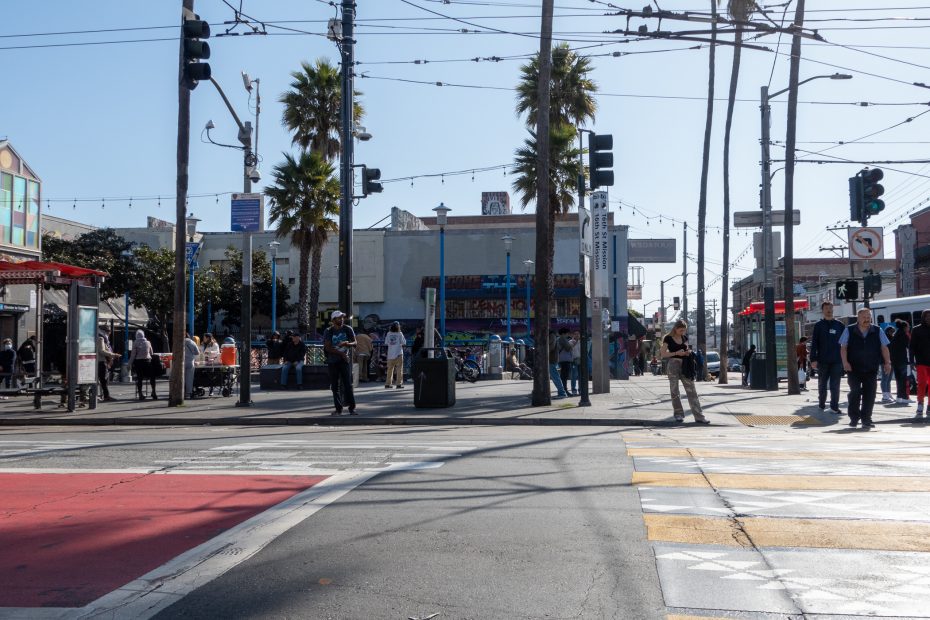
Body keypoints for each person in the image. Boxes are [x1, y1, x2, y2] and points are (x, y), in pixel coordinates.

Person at [840, 308, 892, 429]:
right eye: (864, 317)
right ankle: (854, 418)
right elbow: (843, 348)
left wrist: (887, 362)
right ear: (858, 318)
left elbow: (884, 347)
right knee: (855, 392)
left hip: (871, 368)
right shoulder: (849, 330)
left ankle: (866, 419)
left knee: (870, 394)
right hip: (854, 368)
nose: (867, 319)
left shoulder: (877, 330)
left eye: (868, 317)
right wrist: (845, 363)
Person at [660, 320, 709, 424]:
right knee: (675, 391)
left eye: (684, 330)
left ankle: (699, 416)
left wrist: (688, 352)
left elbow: (687, 349)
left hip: (686, 365)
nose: (682, 332)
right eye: (680, 330)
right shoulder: (668, 338)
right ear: (676, 328)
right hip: (673, 365)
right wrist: (676, 353)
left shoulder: (684, 338)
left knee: (692, 390)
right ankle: (678, 414)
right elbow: (663, 354)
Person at [810, 301, 845, 415]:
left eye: (830, 308)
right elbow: (814, 343)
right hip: (823, 360)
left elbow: (845, 344)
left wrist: (846, 359)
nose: (829, 310)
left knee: (835, 384)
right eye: (826, 308)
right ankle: (821, 403)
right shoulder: (819, 325)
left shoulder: (840, 325)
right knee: (822, 384)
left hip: (837, 360)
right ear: (823, 310)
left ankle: (834, 406)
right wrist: (813, 359)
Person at [323, 310, 357, 415]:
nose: (341, 319)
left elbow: (355, 342)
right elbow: (328, 348)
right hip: (333, 361)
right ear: (333, 320)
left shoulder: (347, 329)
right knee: (335, 386)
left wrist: (347, 343)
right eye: (339, 318)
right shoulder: (329, 331)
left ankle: (352, 408)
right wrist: (341, 353)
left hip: (344, 361)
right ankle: (338, 409)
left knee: (348, 384)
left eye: (342, 317)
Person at [909, 309, 930, 419]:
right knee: (921, 384)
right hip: (921, 362)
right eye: (926, 317)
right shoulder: (916, 330)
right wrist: (911, 361)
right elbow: (912, 347)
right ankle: (920, 404)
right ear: (923, 318)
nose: (928, 318)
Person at [128, 329, 157, 401]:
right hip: (148, 362)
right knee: (152, 377)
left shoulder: (135, 343)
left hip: (139, 363)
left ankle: (140, 394)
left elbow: (133, 355)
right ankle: (153, 391)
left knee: (139, 378)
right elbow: (152, 353)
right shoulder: (148, 342)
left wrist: (129, 364)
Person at [888, 319, 912, 406]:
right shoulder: (904, 335)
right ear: (905, 327)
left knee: (898, 379)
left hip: (895, 361)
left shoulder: (895, 335)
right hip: (902, 360)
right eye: (908, 327)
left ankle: (899, 397)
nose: (909, 328)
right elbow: (909, 346)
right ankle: (904, 397)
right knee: (903, 379)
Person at [97, 327, 120, 401]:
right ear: (104, 331)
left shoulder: (101, 338)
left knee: (103, 380)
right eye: (108, 332)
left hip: (100, 361)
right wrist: (114, 355)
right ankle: (106, 396)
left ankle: (105, 395)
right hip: (101, 361)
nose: (109, 334)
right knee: (104, 380)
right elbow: (102, 351)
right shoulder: (101, 339)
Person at [383, 322, 406, 389]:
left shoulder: (388, 333)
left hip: (390, 354)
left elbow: (386, 343)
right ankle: (398, 384)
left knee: (389, 369)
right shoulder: (400, 334)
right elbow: (404, 342)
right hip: (399, 353)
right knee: (399, 369)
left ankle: (388, 384)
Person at [547, 330, 568, 399]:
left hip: (551, 359)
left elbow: (551, 347)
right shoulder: (552, 335)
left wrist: (544, 351)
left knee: (555, 377)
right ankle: (561, 392)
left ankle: (562, 393)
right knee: (554, 376)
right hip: (552, 358)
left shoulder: (552, 335)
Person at [880, 326, 896, 403]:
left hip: (892, 360)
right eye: (891, 332)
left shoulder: (892, 338)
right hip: (885, 361)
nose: (892, 333)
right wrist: (886, 361)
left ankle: (888, 393)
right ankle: (884, 394)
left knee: (889, 378)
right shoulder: (885, 339)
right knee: (885, 378)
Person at [556, 328, 574, 395]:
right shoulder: (562, 339)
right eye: (567, 333)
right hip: (565, 359)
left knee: (563, 376)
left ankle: (563, 390)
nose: (568, 335)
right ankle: (564, 390)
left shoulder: (559, 339)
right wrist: (572, 345)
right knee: (564, 376)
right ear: (564, 333)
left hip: (563, 359)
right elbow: (568, 348)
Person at [183, 331, 200, 399]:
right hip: (190, 362)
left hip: (181, 363)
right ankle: (188, 394)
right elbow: (197, 352)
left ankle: (181, 392)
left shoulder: (179, 341)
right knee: (189, 379)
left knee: (182, 378)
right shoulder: (192, 342)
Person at [570, 329, 582, 394]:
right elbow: (570, 348)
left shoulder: (582, 341)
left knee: (581, 376)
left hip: (581, 360)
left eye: (578, 334)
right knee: (574, 376)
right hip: (574, 360)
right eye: (575, 334)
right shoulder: (571, 341)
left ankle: (580, 389)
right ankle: (573, 390)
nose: (577, 335)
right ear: (573, 335)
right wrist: (576, 342)